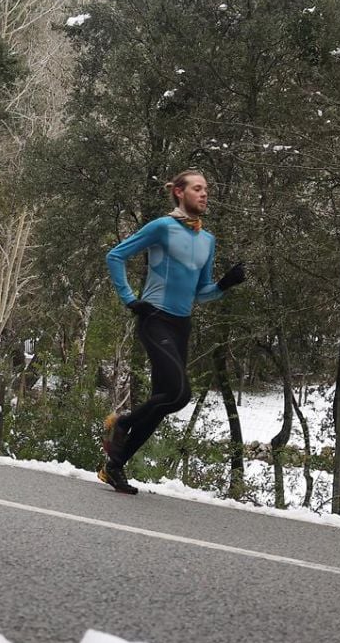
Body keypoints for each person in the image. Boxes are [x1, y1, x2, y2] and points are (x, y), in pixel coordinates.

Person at [99, 169, 246, 494]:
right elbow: (115, 256)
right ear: (179, 192)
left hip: (182, 326)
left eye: (206, 188)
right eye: (197, 188)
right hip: (155, 320)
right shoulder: (162, 227)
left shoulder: (207, 240)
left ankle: (114, 467)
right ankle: (120, 424)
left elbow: (201, 292)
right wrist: (130, 300)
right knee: (180, 393)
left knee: (165, 401)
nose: (205, 194)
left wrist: (224, 284)